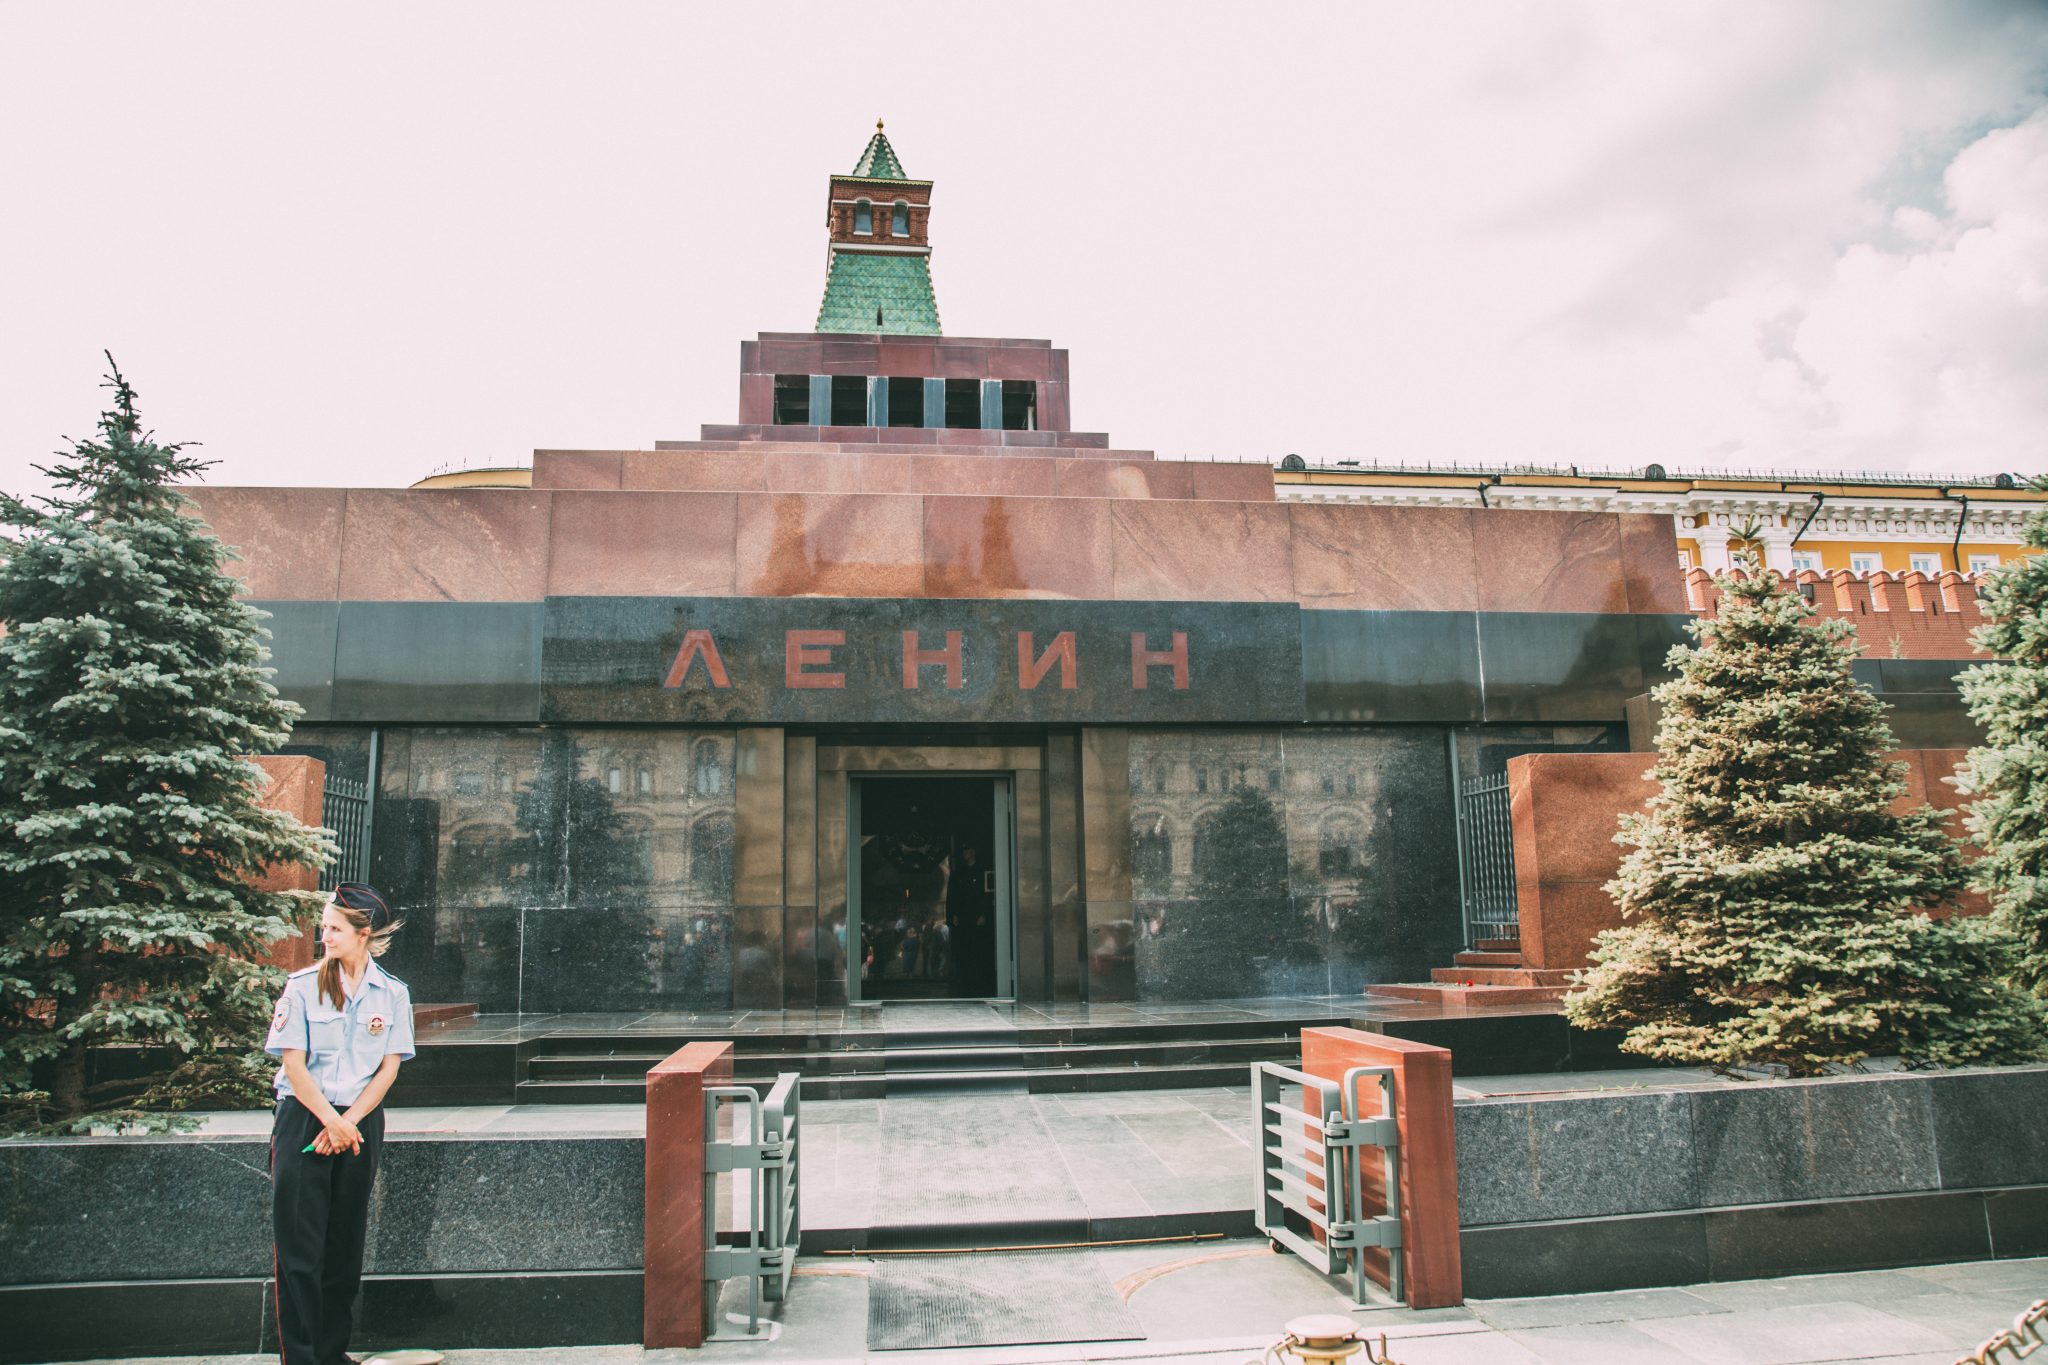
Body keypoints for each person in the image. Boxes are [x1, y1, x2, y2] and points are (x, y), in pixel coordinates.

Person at [265, 882, 414, 1365]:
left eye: (332, 928)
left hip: (358, 1125)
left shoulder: (392, 994)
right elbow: (294, 1065)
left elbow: (389, 1068)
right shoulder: (303, 987)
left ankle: (332, 1354)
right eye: (323, 927)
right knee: (301, 1252)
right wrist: (332, 1122)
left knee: (344, 1249)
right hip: (306, 1122)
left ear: (363, 933)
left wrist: (348, 1124)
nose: (323, 936)